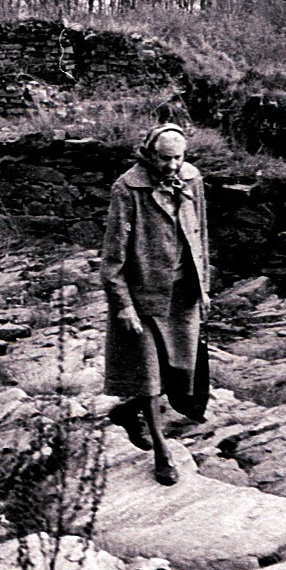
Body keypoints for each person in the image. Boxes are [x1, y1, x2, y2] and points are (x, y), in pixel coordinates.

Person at [102, 124, 212, 486]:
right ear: (149, 155)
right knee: (149, 376)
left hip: (183, 295)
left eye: (178, 157)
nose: (172, 165)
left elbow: (202, 236)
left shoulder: (191, 179)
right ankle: (162, 451)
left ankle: (126, 411)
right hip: (144, 295)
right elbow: (113, 257)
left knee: (181, 371)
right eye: (165, 158)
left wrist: (204, 288)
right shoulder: (128, 188)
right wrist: (124, 307)